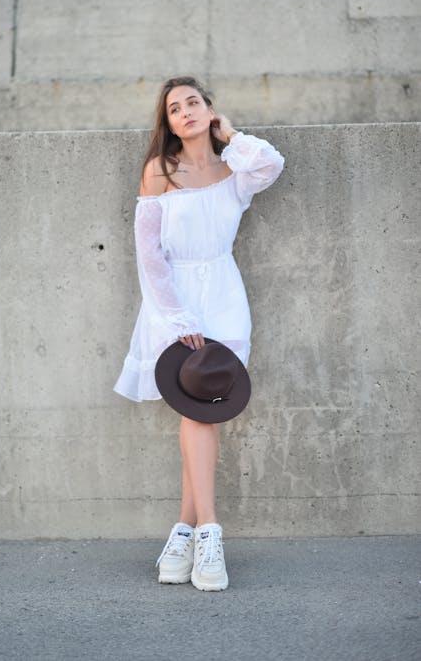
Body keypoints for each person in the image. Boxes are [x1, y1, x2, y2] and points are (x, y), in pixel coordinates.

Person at [114, 76, 284, 591]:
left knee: (205, 408)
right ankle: (209, 532)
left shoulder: (236, 169)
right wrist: (179, 319)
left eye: (194, 102)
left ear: (210, 110)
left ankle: (185, 532)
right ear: (166, 123)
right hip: (175, 304)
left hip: (226, 299)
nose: (185, 112)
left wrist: (230, 135)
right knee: (197, 410)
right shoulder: (159, 172)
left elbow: (271, 163)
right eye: (174, 108)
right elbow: (150, 256)